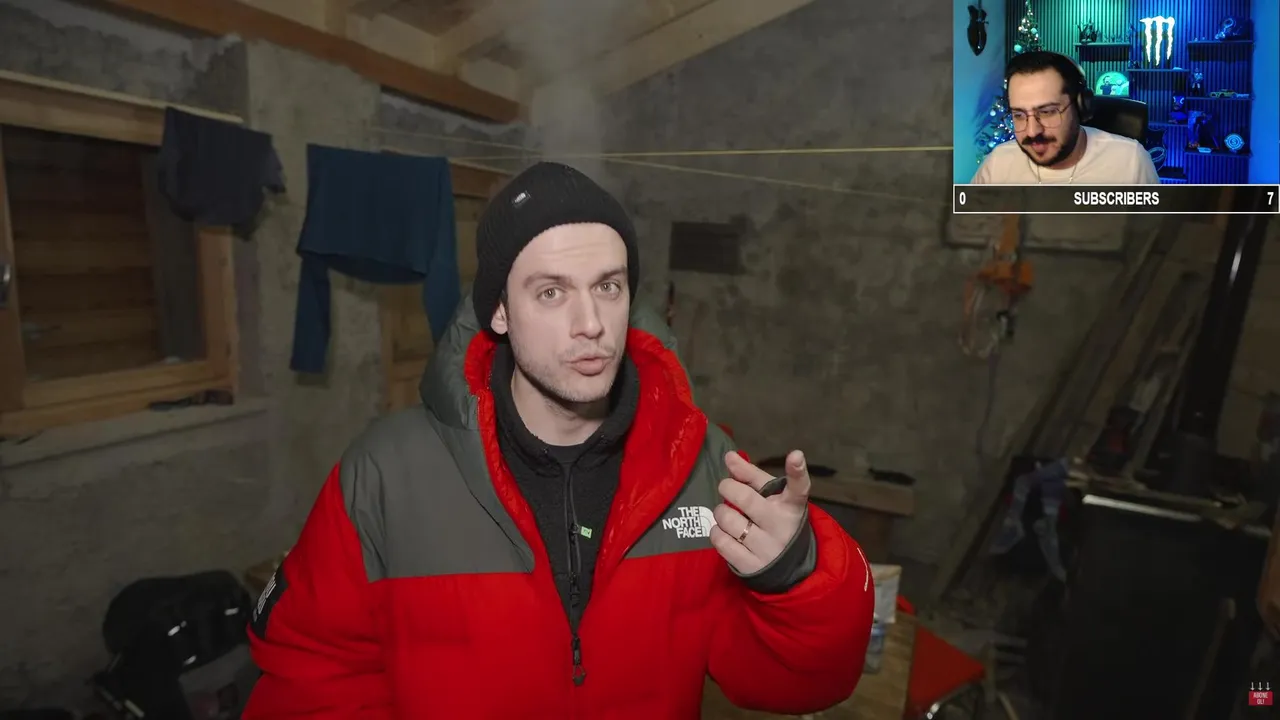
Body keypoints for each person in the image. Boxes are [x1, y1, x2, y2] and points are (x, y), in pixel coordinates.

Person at [243, 162, 875, 718]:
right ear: (499, 311)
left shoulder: (701, 465)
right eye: (551, 292)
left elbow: (797, 683)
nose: (591, 323)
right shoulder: (383, 476)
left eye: (608, 286)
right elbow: (310, 680)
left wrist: (795, 574)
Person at [972, 51, 1160, 184]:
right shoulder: (998, 164)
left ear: (1081, 107)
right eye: (1019, 115)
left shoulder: (1130, 162)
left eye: (1047, 112)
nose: (1032, 131)